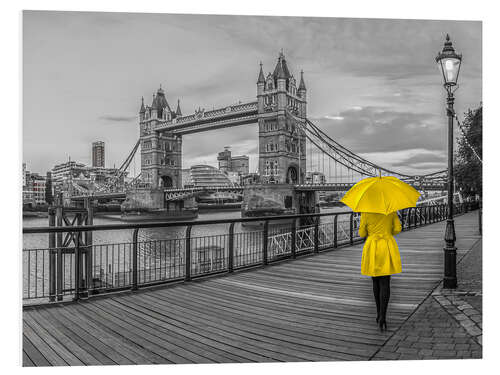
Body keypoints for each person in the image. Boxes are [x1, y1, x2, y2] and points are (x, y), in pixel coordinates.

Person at [358, 211, 402, 332]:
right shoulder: (390, 211)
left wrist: (371, 232)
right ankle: (383, 315)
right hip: (386, 245)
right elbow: (398, 229)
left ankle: (378, 313)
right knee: (385, 282)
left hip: (372, 247)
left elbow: (361, 233)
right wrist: (387, 232)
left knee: (375, 281)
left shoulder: (365, 212)